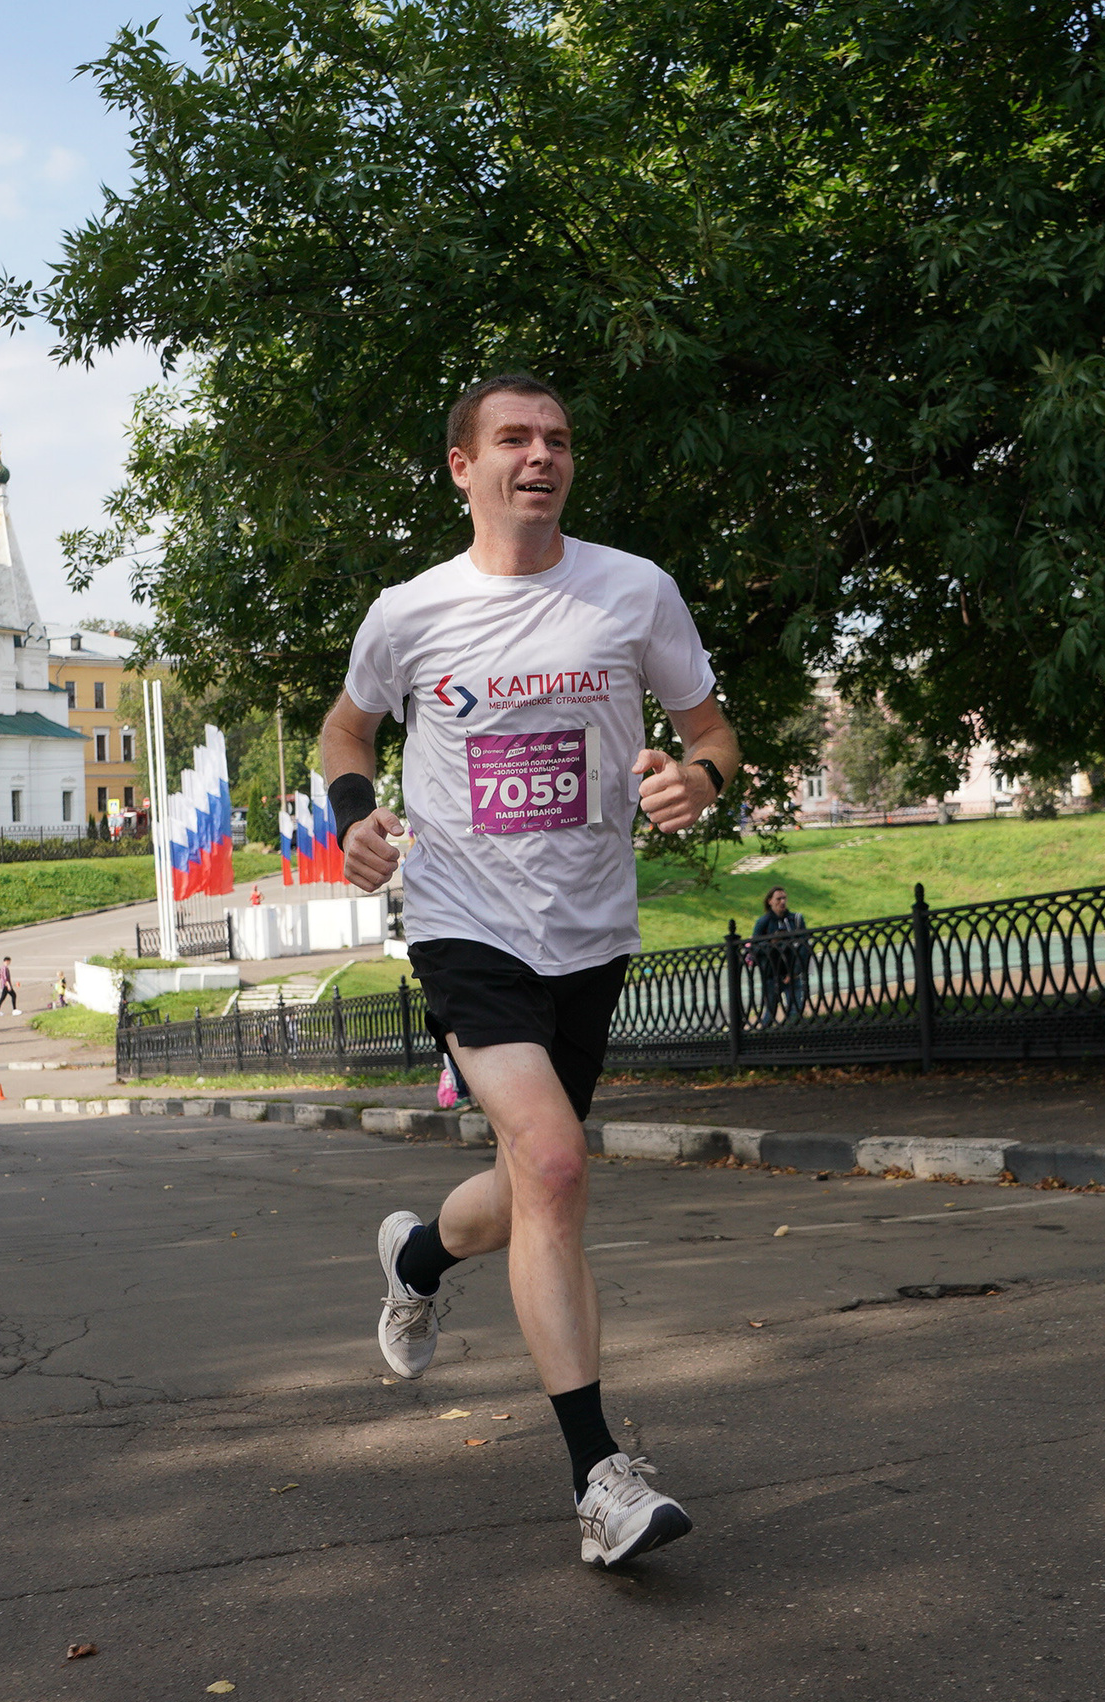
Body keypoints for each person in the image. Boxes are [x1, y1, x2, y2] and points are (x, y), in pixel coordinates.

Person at [325, 372, 738, 1568]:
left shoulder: (631, 590)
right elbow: (345, 729)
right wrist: (352, 815)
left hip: (591, 934)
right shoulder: (410, 611)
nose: (540, 455)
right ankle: (598, 1478)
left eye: (557, 438)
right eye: (512, 438)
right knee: (556, 1160)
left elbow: (710, 728)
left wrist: (694, 781)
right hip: (463, 922)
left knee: (527, 1188)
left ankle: (416, 1255)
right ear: (464, 466)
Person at [750, 886, 811, 1026]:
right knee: (769, 1013)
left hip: (793, 974)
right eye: (778, 899)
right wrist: (771, 942)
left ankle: (794, 1038)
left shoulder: (795, 919)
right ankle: (765, 1040)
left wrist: (795, 972)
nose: (782, 902)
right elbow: (755, 948)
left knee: (795, 1012)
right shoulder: (763, 922)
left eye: (784, 898)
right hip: (772, 974)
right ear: (770, 901)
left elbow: (804, 945)